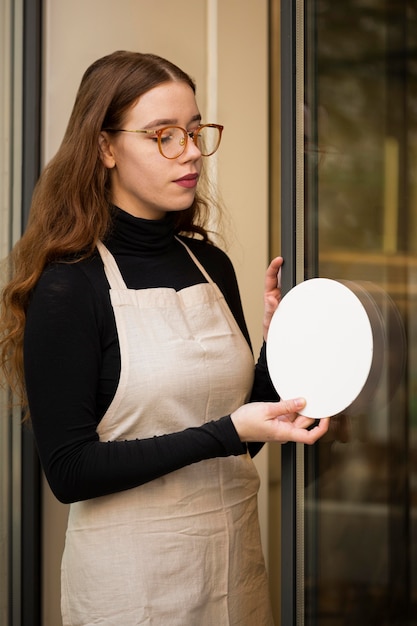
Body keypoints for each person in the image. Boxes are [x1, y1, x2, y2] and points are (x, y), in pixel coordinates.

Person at [0, 50, 329, 625]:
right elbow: (69, 472)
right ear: (104, 148)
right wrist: (226, 431)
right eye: (164, 136)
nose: (193, 152)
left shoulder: (209, 263)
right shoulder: (68, 287)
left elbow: (242, 436)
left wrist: (280, 345)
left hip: (234, 572)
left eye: (196, 131)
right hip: (132, 590)